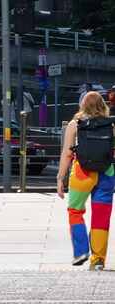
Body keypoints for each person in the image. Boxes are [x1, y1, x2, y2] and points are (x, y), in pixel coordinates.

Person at [57, 91, 115, 271]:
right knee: (101, 217)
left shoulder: (75, 125)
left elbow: (67, 154)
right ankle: (98, 260)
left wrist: (60, 178)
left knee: (75, 211)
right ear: (102, 105)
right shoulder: (111, 125)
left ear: (82, 105)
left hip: (82, 173)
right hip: (106, 173)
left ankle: (81, 251)